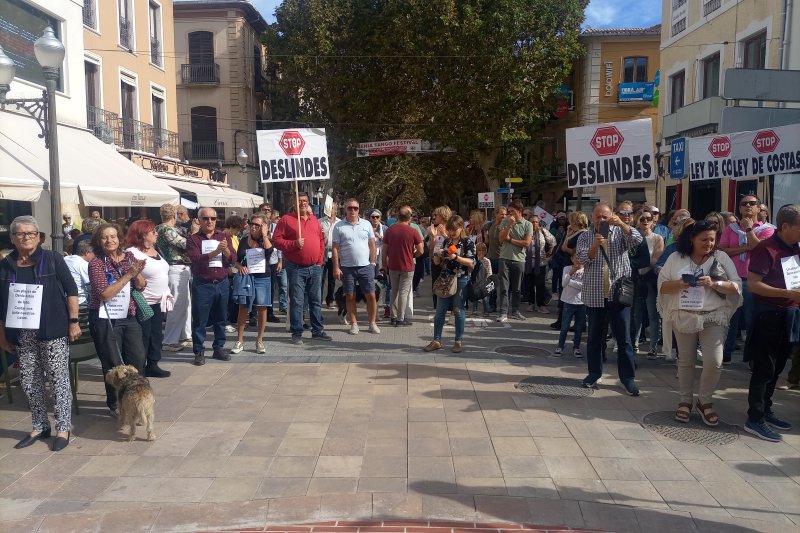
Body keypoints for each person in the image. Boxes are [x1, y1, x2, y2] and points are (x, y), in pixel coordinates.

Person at [0, 216, 80, 451]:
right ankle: (39, 425)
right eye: (21, 234)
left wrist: (73, 321)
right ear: (13, 238)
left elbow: (71, 290)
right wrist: (1, 335)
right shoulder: (6, 265)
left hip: (52, 330)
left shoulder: (53, 259)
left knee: (58, 380)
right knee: (29, 380)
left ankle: (63, 428)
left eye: (31, 233)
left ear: (38, 236)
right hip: (23, 333)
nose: (26, 237)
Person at [657, 220, 741, 425]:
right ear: (692, 239)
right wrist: (680, 283)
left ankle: (705, 401)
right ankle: (685, 400)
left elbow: (736, 286)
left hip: (713, 315)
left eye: (712, 239)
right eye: (704, 239)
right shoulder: (677, 258)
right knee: (686, 361)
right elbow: (662, 286)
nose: (709, 243)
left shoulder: (721, 257)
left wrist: (715, 283)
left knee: (715, 361)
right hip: (684, 315)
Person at [742, 204, 800, 442]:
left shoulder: (796, 248)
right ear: (785, 226)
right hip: (769, 314)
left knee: (778, 368)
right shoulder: (767, 248)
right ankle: (754, 418)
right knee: (764, 368)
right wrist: (788, 294)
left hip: (790, 314)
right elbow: (754, 285)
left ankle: (766, 409)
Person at [576, 202, 643, 395]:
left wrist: (622, 224)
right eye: (597, 217)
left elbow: (638, 240)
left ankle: (628, 378)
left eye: (605, 216)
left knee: (624, 339)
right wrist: (595, 246)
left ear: (612, 216)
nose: (601, 220)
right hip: (595, 295)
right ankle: (593, 374)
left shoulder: (621, 233)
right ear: (592, 219)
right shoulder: (585, 237)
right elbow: (583, 260)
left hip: (618, 294)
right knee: (595, 338)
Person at [87, 223, 147, 416]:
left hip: (129, 316)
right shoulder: (96, 263)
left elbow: (141, 286)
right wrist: (129, 274)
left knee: (138, 358)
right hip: (106, 319)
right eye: (105, 237)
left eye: (113, 236)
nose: (109, 240)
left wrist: (136, 275)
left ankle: (135, 398)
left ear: (120, 239)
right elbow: (105, 294)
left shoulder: (129, 257)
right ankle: (115, 404)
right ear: (98, 241)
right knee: (113, 363)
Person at [719, 194, 775, 363]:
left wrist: (750, 230)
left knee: (752, 320)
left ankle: (752, 357)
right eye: (744, 204)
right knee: (730, 320)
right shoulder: (731, 229)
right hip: (733, 279)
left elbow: (760, 250)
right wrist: (746, 248)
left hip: (754, 281)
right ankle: (725, 354)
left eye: (752, 203)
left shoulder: (768, 229)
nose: (748, 206)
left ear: (759, 208)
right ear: (740, 208)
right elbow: (722, 250)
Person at [272, 193, 331, 345]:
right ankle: (296, 332)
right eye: (299, 201)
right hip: (296, 268)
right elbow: (276, 241)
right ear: (294, 203)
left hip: (315, 268)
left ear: (308, 203)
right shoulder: (286, 220)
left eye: (304, 201)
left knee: (316, 301)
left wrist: (319, 260)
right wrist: (293, 244)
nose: (302, 203)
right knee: (297, 302)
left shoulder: (314, 221)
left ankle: (317, 330)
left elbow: (320, 241)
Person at [186, 208, 237, 365]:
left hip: (221, 283)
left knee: (221, 318)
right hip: (203, 284)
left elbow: (233, 258)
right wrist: (215, 252)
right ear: (199, 220)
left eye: (213, 218)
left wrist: (226, 251)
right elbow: (195, 259)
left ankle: (218, 347)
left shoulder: (223, 237)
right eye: (206, 218)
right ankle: (199, 351)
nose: (210, 221)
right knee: (200, 320)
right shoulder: (193, 239)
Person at [423, 215, 476, 353]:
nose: (452, 233)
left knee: (458, 310)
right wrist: (437, 253)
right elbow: (436, 262)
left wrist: (456, 257)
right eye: (450, 230)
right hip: (445, 279)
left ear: (461, 228)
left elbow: (471, 262)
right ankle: (436, 340)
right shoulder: (446, 242)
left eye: (454, 229)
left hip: (461, 279)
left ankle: (458, 341)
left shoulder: (467, 242)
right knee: (440, 311)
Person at [126, 220, 172, 378]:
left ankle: (153, 364)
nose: (156, 234)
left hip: (159, 301)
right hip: (143, 302)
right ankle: (140, 367)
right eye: (153, 232)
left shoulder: (154, 248)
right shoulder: (132, 253)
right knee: (143, 336)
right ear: (142, 234)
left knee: (156, 335)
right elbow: (128, 273)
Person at [333, 199, 379, 334]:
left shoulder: (366, 224)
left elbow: (372, 244)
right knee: (350, 296)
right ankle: (354, 324)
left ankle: (372, 323)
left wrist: (373, 262)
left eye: (355, 208)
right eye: (349, 208)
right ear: (345, 209)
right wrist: (336, 267)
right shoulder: (338, 226)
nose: (352, 211)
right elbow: (335, 248)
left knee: (371, 295)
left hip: (366, 266)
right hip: (347, 267)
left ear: (359, 209)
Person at [231, 213, 274, 354]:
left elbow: (270, 251)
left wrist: (265, 234)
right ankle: (239, 340)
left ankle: (259, 340)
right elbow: (236, 260)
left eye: (257, 225)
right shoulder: (243, 240)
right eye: (252, 224)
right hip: (246, 277)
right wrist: (240, 267)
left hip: (262, 278)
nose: (253, 227)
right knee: (243, 307)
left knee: (262, 307)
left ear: (264, 227)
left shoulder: (265, 240)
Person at [156, 204, 193, 352]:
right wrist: (194, 234)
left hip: (175, 268)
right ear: (174, 216)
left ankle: (185, 336)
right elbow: (186, 244)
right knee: (177, 305)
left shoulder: (158, 229)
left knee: (185, 304)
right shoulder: (167, 230)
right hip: (175, 267)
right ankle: (169, 341)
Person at [382, 206, 423, 326]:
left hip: (393, 265)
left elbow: (384, 250)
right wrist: (412, 255)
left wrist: (384, 264)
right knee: (403, 292)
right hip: (407, 265)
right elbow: (420, 250)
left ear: (397, 217)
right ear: (410, 218)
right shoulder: (413, 231)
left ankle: (393, 317)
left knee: (394, 291)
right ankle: (400, 318)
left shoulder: (390, 230)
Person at [633, 208, 664, 359]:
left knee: (653, 313)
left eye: (648, 219)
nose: (645, 221)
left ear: (653, 221)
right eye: (642, 219)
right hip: (635, 278)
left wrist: (638, 261)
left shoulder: (658, 238)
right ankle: (635, 342)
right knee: (636, 314)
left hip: (650, 279)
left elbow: (654, 260)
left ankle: (653, 347)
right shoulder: (632, 237)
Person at [497, 200, 533, 322]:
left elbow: (527, 243)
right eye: (509, 211)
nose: (509, 213)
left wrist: (511, 240)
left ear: (519, 211)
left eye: (512, 211)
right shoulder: (505, 222)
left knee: (517, 288)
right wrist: (509, 226)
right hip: (504, 258)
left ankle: (515, 311)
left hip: (519, 260)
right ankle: (503, 312)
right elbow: (501, 239)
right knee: (504, 287)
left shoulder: (528, 224)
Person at [524, 215, 555, 313]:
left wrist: (550, 251)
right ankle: (531, 304)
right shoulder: (525, 232)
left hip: (541, 263)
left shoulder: (543, 231)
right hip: (527, 263)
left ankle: (541, 305)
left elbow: (553, 241)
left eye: (536, 222)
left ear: (539, 223)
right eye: (532, 222)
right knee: (529, 284)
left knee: (540, 285)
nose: (534, 224)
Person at [554, 257, 585, 357]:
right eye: (576, 257)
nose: (578, 260)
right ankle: (560, 347)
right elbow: (563, 283)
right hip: (568, 302)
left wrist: (570, 282)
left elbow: (583, 286)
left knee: (579, 328)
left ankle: (576, 347)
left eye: (581, 257)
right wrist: (571, 273)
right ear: (572, 259)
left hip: (581, 302)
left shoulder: (586, 270)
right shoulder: (567, 269)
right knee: (564, 327)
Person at [428, 206, 453, 309]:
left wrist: (444, 235)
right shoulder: (435, 228)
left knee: (450, 286)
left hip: (449, 262)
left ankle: (451, 310)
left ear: (442, 216)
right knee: (436, 286)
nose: (434, 217)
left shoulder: (452, 228)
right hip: (436, 262)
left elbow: (455, 245)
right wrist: (434, 237)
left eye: (436, 215)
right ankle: (438, 309)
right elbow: (432, 249)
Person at [319, 203, 340, 308]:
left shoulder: (340, 223)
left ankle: (330, 299)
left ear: (335, 210)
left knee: (332, 278)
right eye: (327, 207)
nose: (329, 209)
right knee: (320, 278)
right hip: (323, 253)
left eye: (331, 208)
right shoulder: (320, 221)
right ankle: (318, 300)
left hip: (335, 253)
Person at [64, 239, 94, 307]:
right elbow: (90, 285)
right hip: (80, 300)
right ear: (87, 253)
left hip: (65, 298)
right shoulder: (85, 264)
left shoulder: (66, 259)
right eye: (94, 253)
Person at [471, 242, 493, 317]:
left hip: (484, 281)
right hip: (476, 281)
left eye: (483, 250)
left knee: (485, 297)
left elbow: (489, 272)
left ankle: (486, 311)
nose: (481, 252)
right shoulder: (474, 260)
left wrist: (488, 281)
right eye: (479, 250)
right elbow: (472, 270)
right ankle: (474, 310)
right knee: (475, 296)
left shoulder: (487, 261)